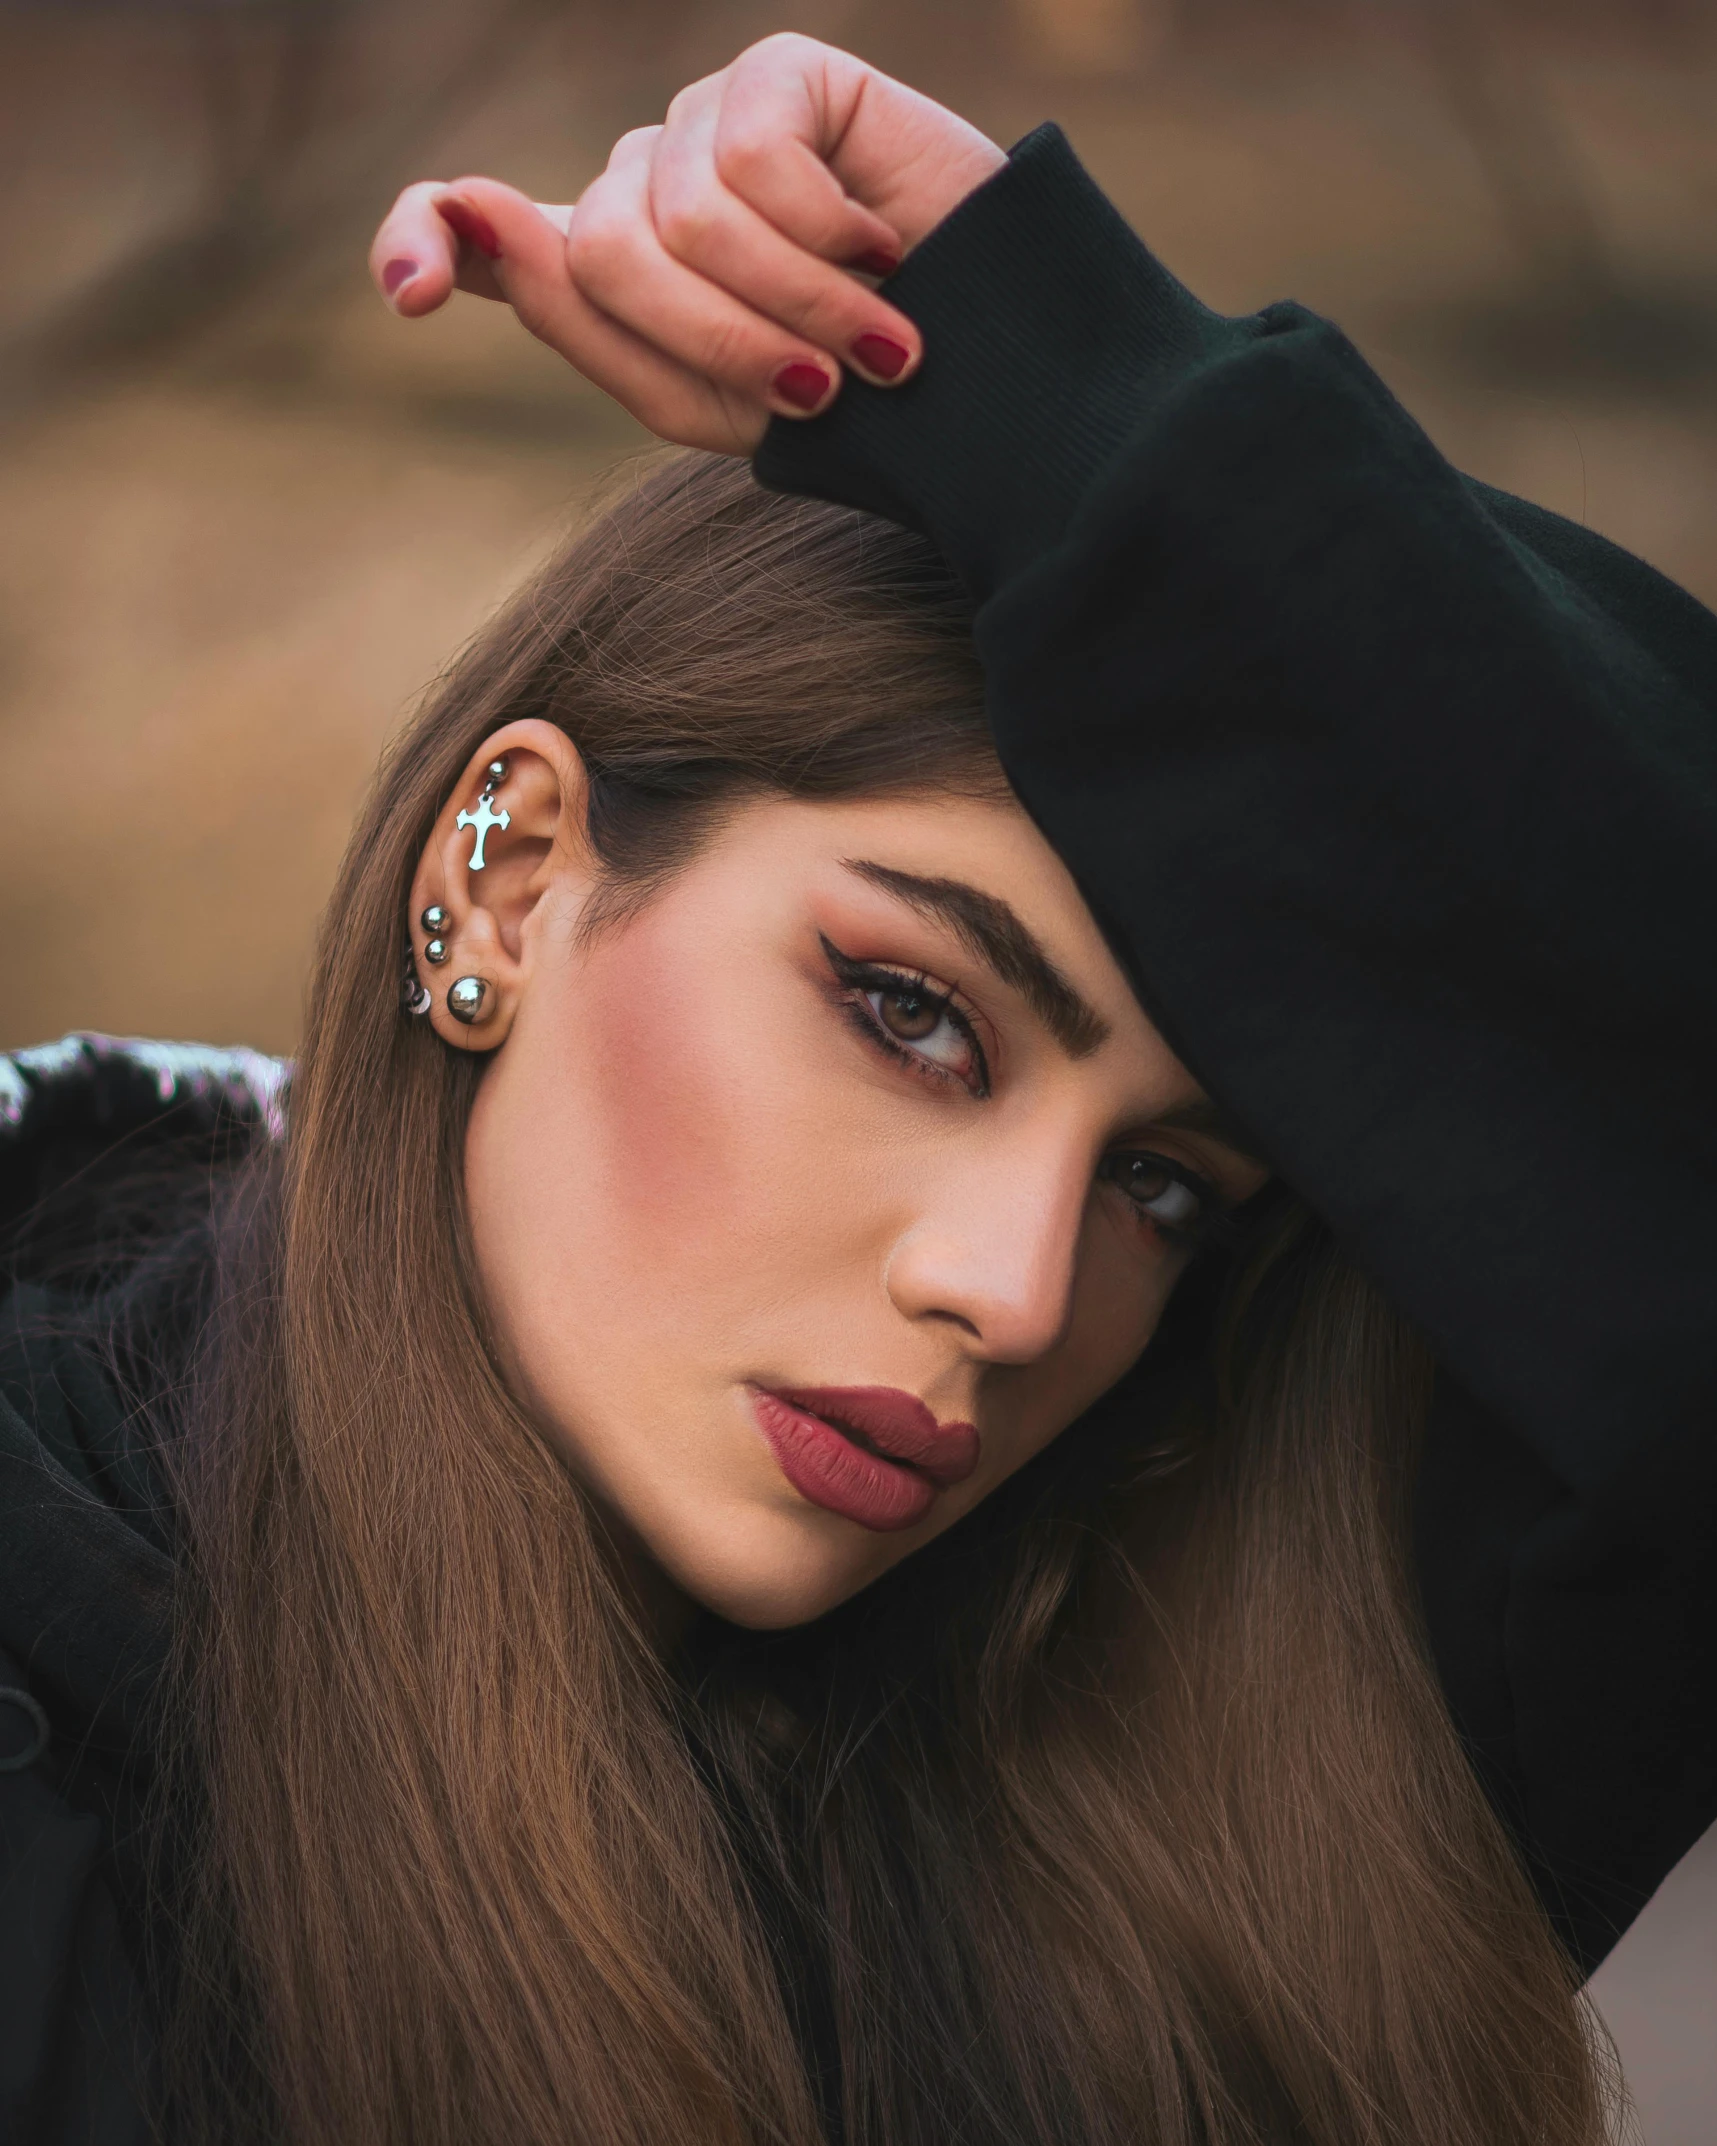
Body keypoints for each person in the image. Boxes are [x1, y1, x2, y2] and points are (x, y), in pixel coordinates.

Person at [2, 31, 1712, 2146]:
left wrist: (1076, 396)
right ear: (509, 877)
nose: (1015, 1290)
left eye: (1166, 1189)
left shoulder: (1229, 1820)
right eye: (912, 1014)